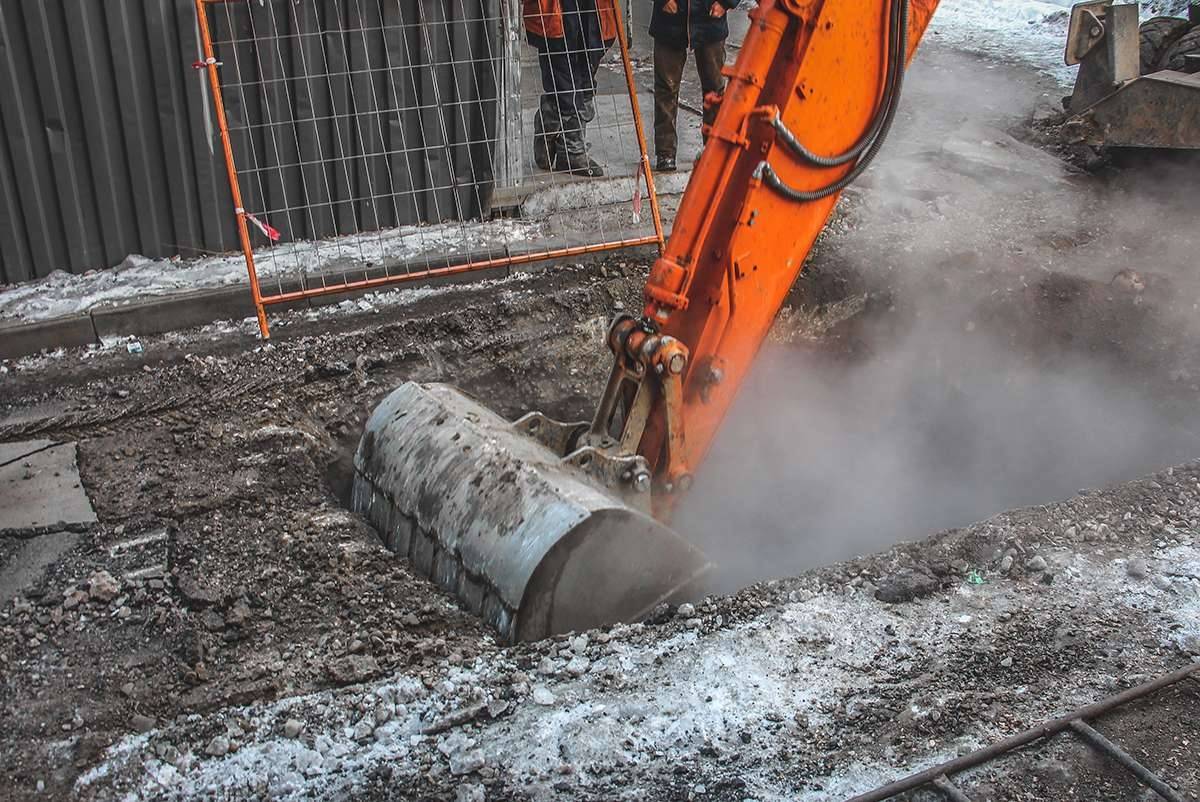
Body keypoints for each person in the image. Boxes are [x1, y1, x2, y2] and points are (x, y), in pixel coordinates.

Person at [524, 0, 617, 177]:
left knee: (586, 80)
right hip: (557, 11)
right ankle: (572, 151)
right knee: (563, 80)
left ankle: (548, 126)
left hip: (593, 9)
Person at [649, 0, 738, 172]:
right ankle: (665, 152)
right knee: (666, 87)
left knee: (715, 88)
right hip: (670, 19)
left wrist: (726, 3)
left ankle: (714, 150)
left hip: (710, 17)